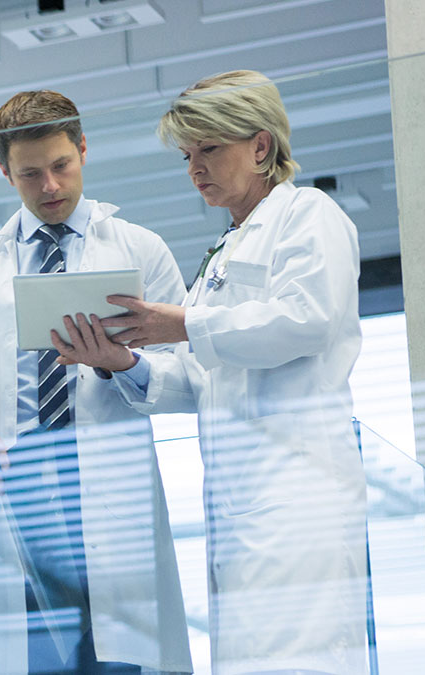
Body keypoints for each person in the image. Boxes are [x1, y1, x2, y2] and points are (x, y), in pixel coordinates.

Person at [56, 70, 368, 674]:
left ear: (260, 146)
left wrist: (187, 324)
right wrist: (124, 360)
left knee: (299, 660)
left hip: (299, 496)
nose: (195, 167)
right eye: (187, 154)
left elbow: (308, 319)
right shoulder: (224, 253)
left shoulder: (308, 215)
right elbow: (203, 380)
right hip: (238, 503)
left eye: (210, 149)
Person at [0, 90, 192, 674]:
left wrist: (124, 363)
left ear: (83, 149)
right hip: (18, 485)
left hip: (103, 481)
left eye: (60, 166)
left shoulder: (140, 250)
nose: (49, 186)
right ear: (3, 172)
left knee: (115, 659)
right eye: (29, 174)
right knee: (31, 655)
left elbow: (190, 375)